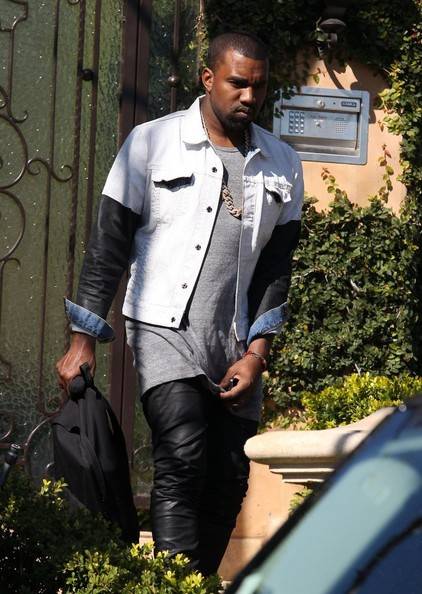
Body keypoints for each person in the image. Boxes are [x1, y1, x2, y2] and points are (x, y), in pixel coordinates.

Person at [56, 31, 304, 575]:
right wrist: (82, 339)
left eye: (259, 86)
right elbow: (109, 244)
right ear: (208, 78)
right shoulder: (152, 143)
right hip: (161, 327)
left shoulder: (283, 162)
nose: (249, 96)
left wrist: (256, 354)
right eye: (237, 83)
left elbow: (275, 269)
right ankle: (171, 585)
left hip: (235, 340)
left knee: (228, 477)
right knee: (183, 452)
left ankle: (195, 583)